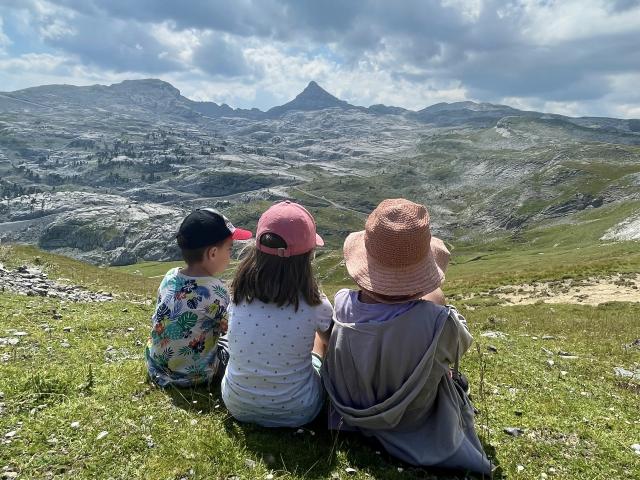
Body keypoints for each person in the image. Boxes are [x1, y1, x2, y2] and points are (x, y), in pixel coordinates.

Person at [321, 198, 492, 475]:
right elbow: (460, 348)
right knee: (454, 377)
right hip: (411, 421)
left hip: (351, 414)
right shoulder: (438, 320)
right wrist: (434, 302)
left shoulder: (342, 303)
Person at [221, 200, 333, 427]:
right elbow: (333, 341)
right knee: (317, 344)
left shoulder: (237, 293)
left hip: (237, 405)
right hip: (300, 411)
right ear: (308, 256)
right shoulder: (315, 303)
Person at [145, 208, 252, 388]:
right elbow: (230, 331)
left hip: (157, 367)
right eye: (229, 249)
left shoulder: (170, 276)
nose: (230, 256)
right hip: (194, 376)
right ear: (212, 253)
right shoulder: (216, 291)